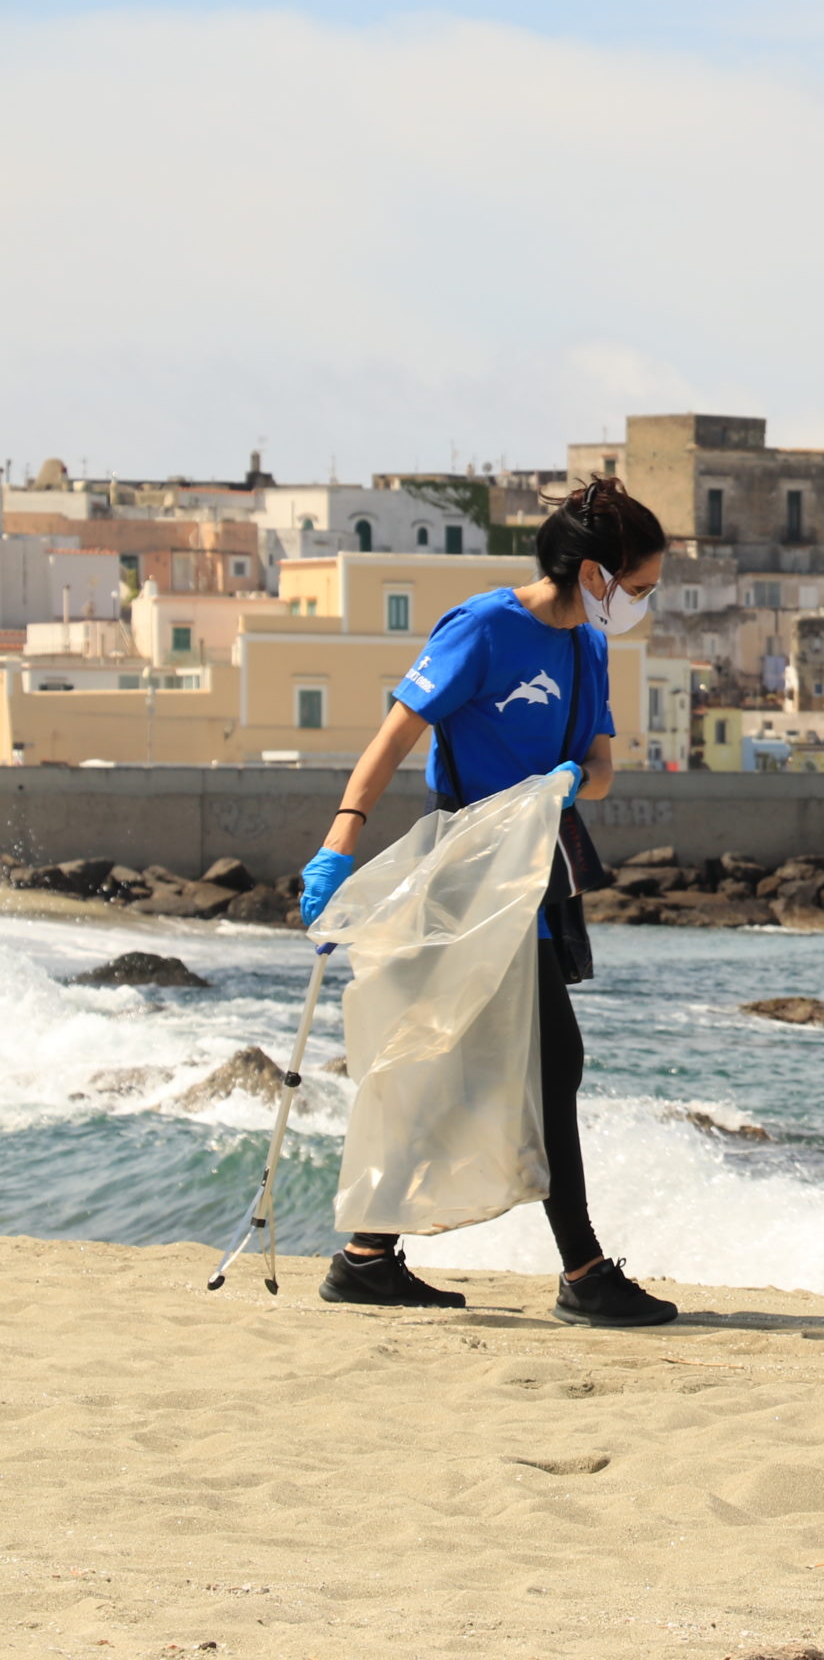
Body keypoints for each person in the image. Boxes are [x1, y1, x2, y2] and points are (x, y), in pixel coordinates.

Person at [295, 476, 678, 1329]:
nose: (643, 604)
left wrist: (576, 776)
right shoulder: (482, 628)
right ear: (592, 572)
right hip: (464, 877)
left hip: (531, 879)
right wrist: (338, 845)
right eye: (639, 587)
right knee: (547, 1061)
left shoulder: (587, 648)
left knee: (472, 1061)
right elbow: (392, 739)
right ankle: (582, 1270)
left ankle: (366, 1258)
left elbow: (604, 766)